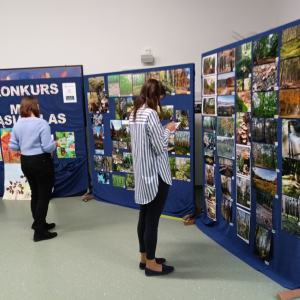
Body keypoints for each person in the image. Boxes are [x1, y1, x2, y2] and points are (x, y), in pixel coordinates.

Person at [129, 79, 176, 277]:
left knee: (144, 217)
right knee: (152, 221)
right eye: (160, 99)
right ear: (155, 96)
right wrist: (168, 130)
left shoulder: (134, 113)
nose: (160, 103)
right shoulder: (151, 114)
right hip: (156, 175)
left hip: (141, 174)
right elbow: (159, 147)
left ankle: (145, 258)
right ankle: (152, 265)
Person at [9, 96, 58, 242]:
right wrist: (55, 143)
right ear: (35, 106)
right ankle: (39, 232)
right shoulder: (41, 123)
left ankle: (40, 223)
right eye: (38, 104)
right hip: (41, 161)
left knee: (35, 194)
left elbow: (12, 146)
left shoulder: (17, 124)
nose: (39, 107)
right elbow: (48, 147)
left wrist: (26, 145)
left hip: (26, 162)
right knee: (44, 196)